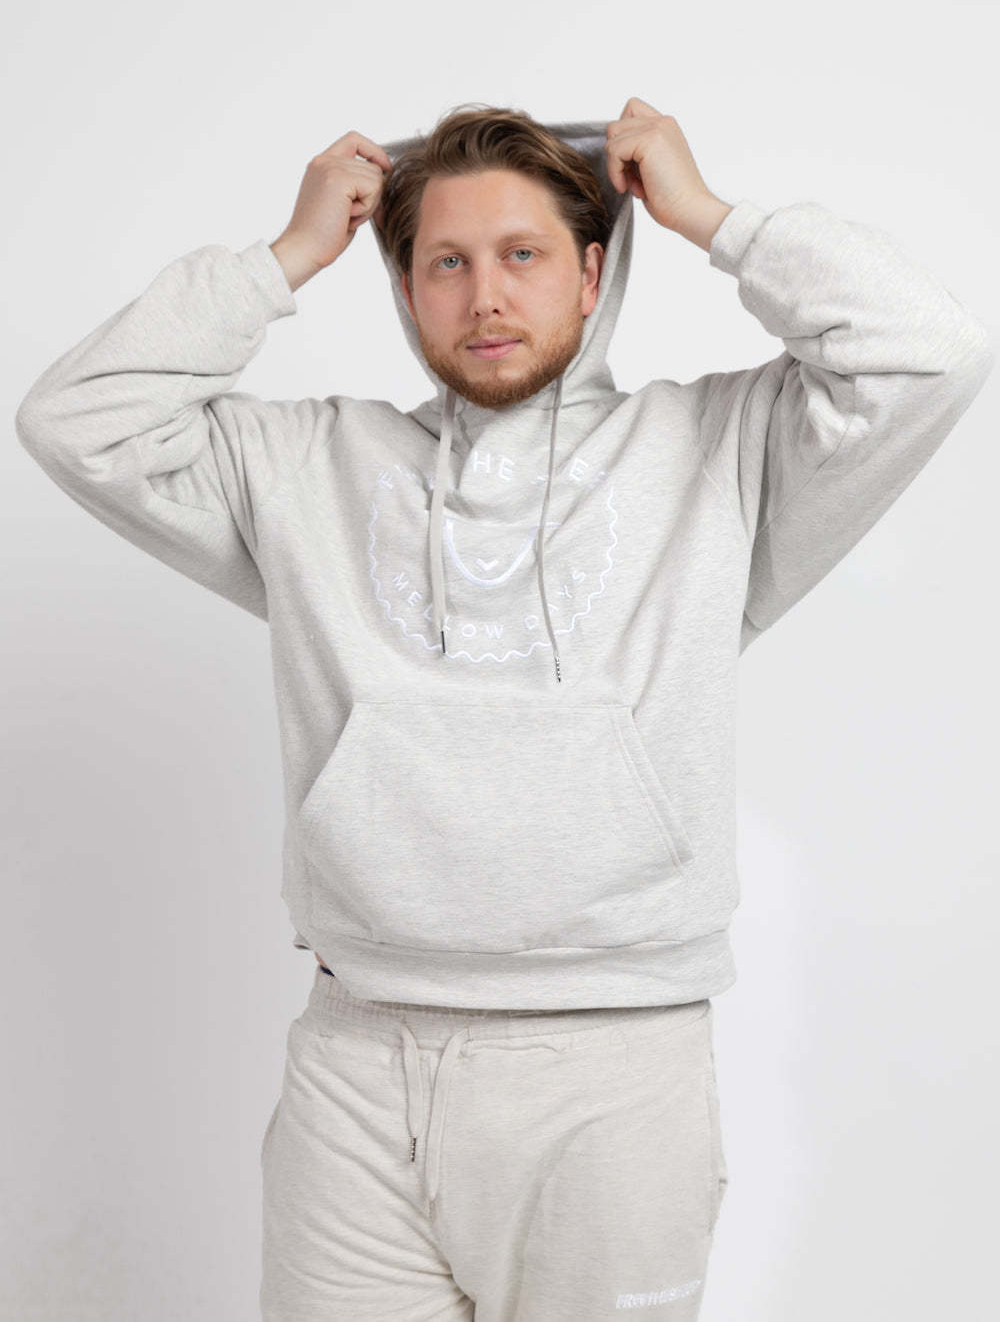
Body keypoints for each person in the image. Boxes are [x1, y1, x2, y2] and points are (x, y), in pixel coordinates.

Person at [16, 97, 994, 1320]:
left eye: (522, 254)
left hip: (612, 1069)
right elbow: (74, 420)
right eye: (447, 262)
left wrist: (712, 218)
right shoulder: (303, 470)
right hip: (357, 1062)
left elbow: (929, 350)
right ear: (405, 289)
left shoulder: (718, 454)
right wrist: (283, 259)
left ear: (592, 274)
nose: (484, 296)